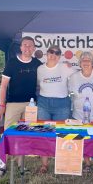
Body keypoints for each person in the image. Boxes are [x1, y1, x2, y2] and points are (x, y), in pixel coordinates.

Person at [0, 36, 42, 178]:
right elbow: (3, 86)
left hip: (31, 106)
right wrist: (2, 105)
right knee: (8, 134)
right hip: (13, 104)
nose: (27, 48)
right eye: (25, 45)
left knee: (24, 135)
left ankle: (21, 165)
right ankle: (2, 166)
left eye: (30, 46)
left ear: (34, 49)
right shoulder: (12, 62)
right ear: (21, 47)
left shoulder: (37, 64)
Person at [37, 45, 75, 173]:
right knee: (44, 134)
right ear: (46, 54)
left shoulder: (65, 67)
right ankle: (44, 164)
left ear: (59, 56)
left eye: (57, 53)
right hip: (43, 103)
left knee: (62, 134)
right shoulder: (40, 69)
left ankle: (62, 163)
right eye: (51, 52)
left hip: (62, 104)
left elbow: (82, 73)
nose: (53, 54)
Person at [69, 51, 93, 173]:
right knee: (83, 138)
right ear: (79, 63)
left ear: (92, 63)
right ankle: (86, 163)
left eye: (88, 60)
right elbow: (70, 93)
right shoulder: (74, 77)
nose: (86, 62)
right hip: (79, 114)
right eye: (83, 60)